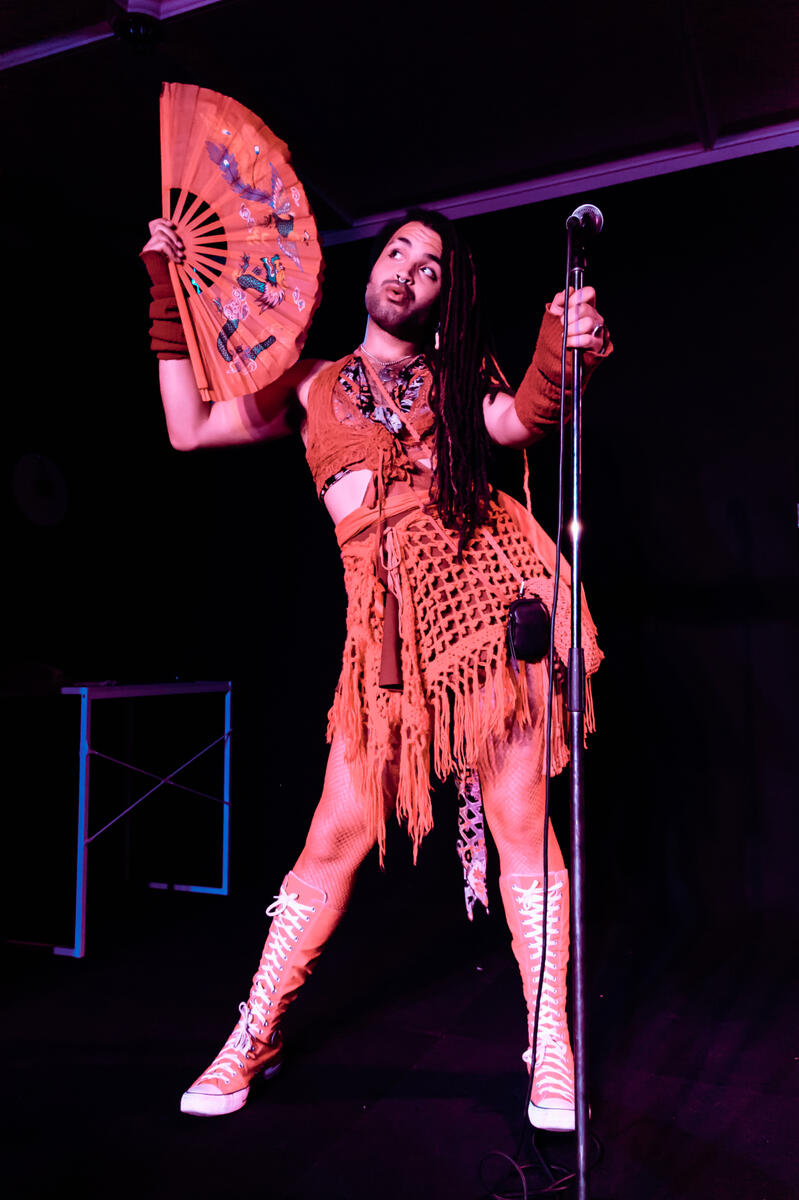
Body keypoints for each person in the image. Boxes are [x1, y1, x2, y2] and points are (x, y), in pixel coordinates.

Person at [140, 207, 611, 1129]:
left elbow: (518, 421)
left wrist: (561, 345)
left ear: (444, 295)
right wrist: (166, 293)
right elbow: (187, 430)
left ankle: (548, 1044)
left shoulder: (457, 375)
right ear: (371, 267)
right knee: (333, 838)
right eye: (396, 251)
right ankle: (255, 1033)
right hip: (387, 638)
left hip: (493, 611)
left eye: (429, 266)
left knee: (521, 821)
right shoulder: (310, 382)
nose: (406, 269)